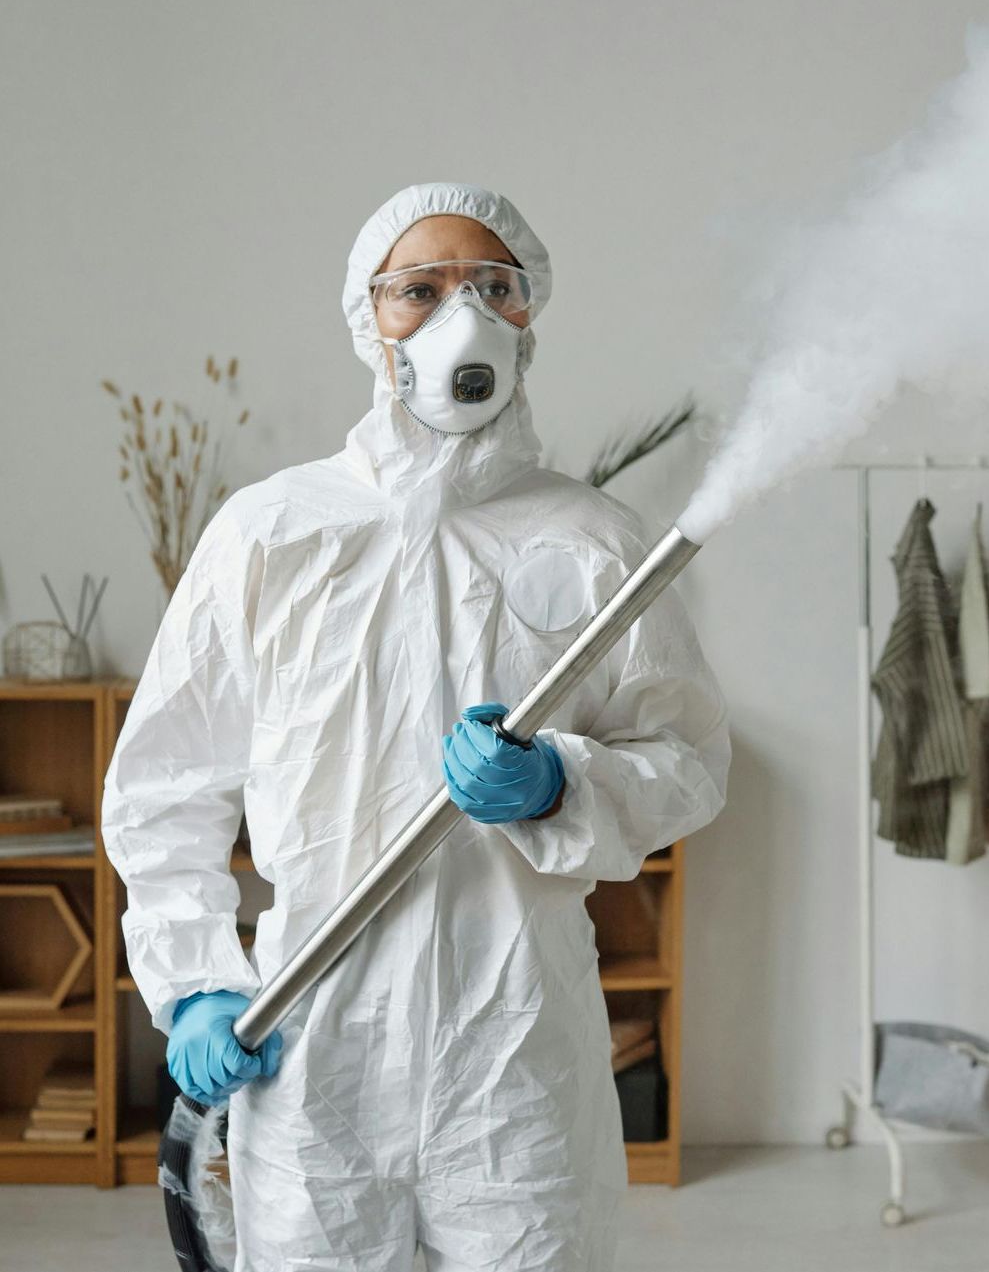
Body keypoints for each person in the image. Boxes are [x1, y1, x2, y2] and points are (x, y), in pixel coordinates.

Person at [102, 182, 730, 1272]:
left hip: (517, 1045)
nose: (462, 316)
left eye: (493, 286)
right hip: (313, 1042)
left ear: (529, 316)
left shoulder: (594, 539)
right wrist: (199, 978)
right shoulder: (273, 532)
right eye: (422, 289)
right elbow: (167, 782)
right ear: (369, 318)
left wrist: (561, 785)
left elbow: (688, 762)